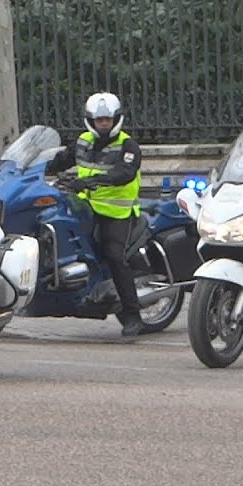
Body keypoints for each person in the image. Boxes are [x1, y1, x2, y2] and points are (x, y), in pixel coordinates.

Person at [48, 92, 146, 337]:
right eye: (99, 120)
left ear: (116, 119)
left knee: (114, 255)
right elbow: (60, 161)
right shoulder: (83, 142)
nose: (104, 124)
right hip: (85, 207)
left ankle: (133, 315)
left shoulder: (127, 146)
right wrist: (32, 168)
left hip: (117, 212)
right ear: (90, 120)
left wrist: (92, 181)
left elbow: (124, 173)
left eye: (107, 120)